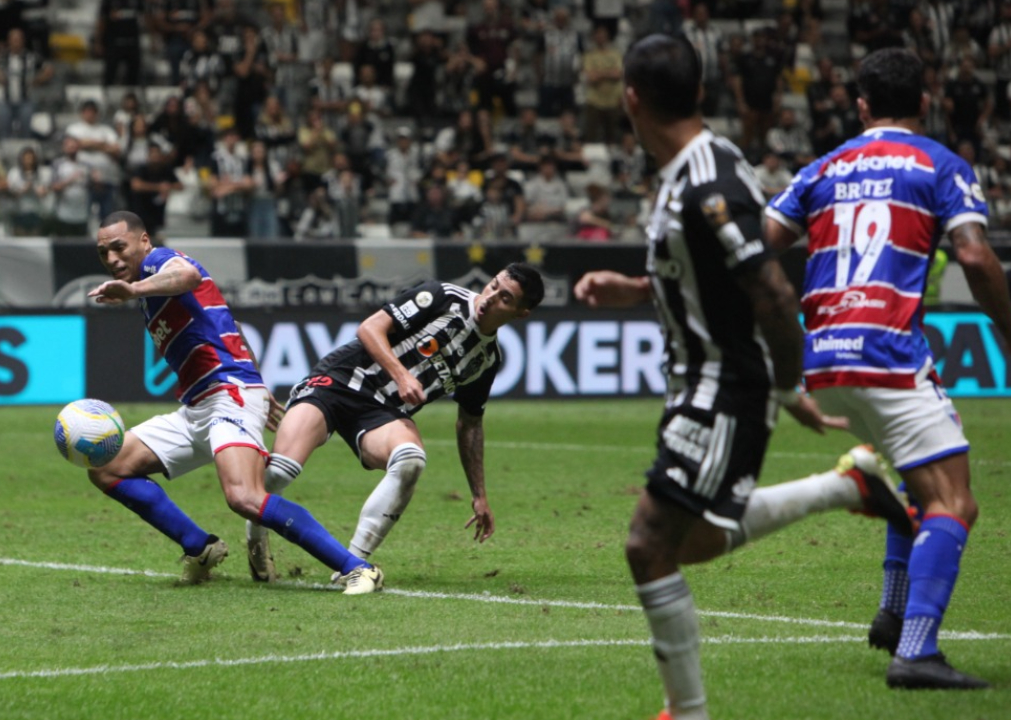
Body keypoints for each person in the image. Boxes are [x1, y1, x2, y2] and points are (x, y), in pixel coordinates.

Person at [573, 35, 914, 720]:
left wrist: (787, 392)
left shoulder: (709, 181)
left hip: (724, 389)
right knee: (689, 540)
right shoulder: (687, 171)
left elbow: (773, 294)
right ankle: (844, 487)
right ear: (698, 92)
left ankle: (688, 712)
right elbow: (712, 277)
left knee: (647, 544)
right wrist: (636, 289)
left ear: (631, 99)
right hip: (701, 384)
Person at [764, 47, 1011, 690]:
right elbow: (973, 257)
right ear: (927, 100)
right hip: (886, 349)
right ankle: (916, 651)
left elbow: (757, 245)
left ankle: (893, 609)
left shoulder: (822, 167)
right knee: (954, 501)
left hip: (822, 351)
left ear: (860, 105)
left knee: (913, 471)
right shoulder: (940, 164)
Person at [86, 210, 384, 595]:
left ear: (144, 241)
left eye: (118, 247)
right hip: (200, 406)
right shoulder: (149, 289)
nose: (111, 259)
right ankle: (200, 548)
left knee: (244, 496)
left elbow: (189, 275)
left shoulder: (158, 262)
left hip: (227, 395)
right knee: (107, 467)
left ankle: (358, 569)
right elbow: (235, 327)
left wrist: (136, 290)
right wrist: (259, 385)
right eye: (103, 253)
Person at [243, 263, 545, 582]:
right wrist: (401, 375)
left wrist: (480, 495)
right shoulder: (442, 297)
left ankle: (352, 567)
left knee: (411, 461)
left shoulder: (487, 361)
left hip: (380, 412)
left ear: (521, 313)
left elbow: (470, 422)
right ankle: (256, 535)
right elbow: (370, 328)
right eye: (493, 285)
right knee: (281, 471)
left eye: (505, 298)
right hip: (338, 381)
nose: (490, 297)